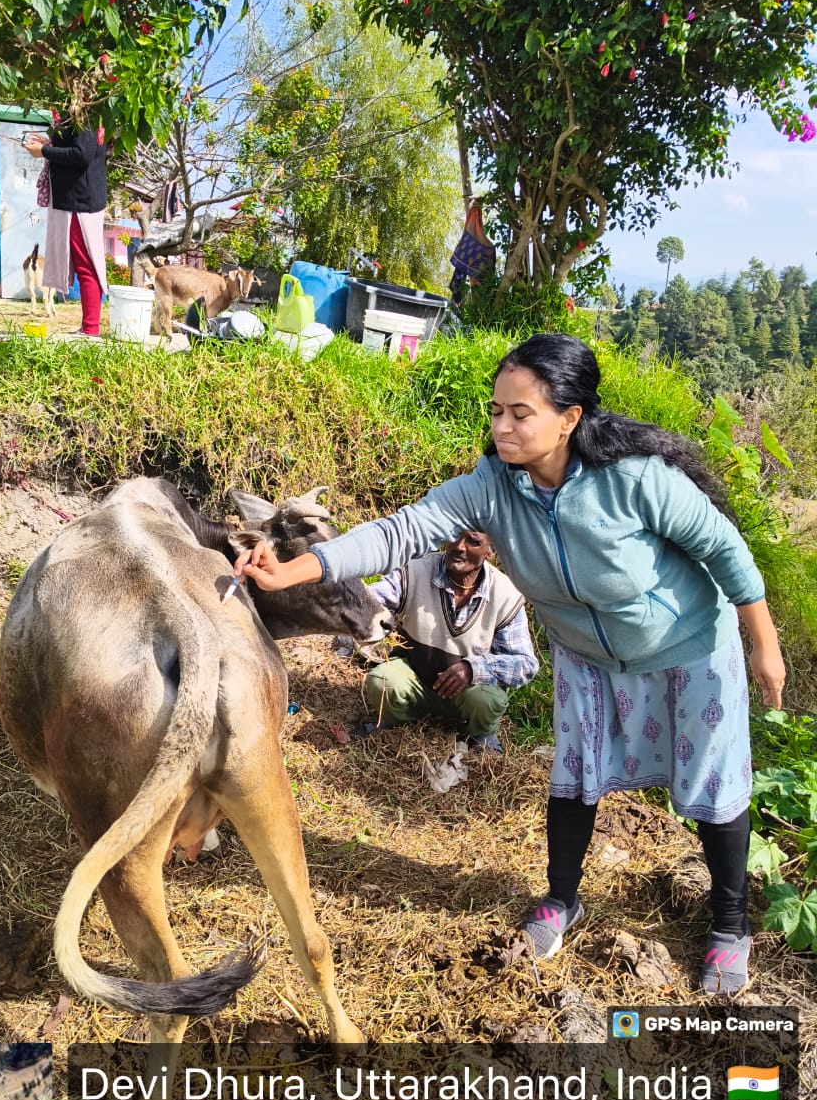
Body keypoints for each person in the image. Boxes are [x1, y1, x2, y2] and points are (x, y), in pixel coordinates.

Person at [233, 332, 785, 996]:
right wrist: (296, 569)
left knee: (712, 783)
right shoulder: (491, 488)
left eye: (521, 413)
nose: (502, 426)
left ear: (569, 417)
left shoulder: (634, 480)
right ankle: (561, 900)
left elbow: (724, 549)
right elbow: (399, 532)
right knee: (574, 778)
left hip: (688, 645)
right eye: (497, 411)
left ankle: (729, 923)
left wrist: (764, 644)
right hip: (588, 657)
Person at [359, 530, 538, 752]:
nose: (459, 546)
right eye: (456, 535)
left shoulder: (505, 595)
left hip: (467, 696)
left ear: (491, 551)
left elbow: (525, 664)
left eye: (473, 542)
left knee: (487, 700)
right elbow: (370, 602)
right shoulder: (415, 571)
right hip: (416, 679)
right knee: (382, 681)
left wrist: (472, 669)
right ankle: (398, 720)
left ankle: (478, 734)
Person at [26, 115, 108, 337]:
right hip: (76, 199)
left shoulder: (86, 114)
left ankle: (91, 329)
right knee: (84, 263)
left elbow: (82, 154)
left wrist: (45, 151)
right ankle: (89, 327)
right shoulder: (81, 114)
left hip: (79, 202)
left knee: (86, 264)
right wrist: (49, 145)